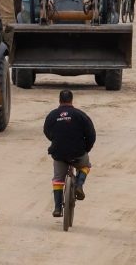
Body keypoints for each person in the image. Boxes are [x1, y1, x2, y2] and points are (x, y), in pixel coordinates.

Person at [43, 89, 96, 218]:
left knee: (58, 179)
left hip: (59, 153)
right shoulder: (80, 115)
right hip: (78, 152)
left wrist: (56, 141)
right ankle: (79, 185)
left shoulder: (52, 115)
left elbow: (47, 132)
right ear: (72, 100)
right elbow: (91, 134)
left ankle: (57, 208)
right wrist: (86, 149)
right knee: (86, 166)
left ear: (59, 100)